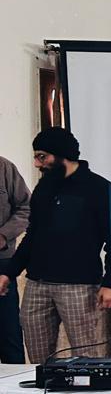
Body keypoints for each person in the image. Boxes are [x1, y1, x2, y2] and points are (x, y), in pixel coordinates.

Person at [0, 127, 111, 364]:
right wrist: (9, 272)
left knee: (87, 362)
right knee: (39, 364)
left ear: (61, 155)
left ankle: (86, 391)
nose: (37, 164)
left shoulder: (99, 188)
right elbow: (32, 235)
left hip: (79, 287)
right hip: (37, 285)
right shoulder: (43, 188)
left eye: (42, 157)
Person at [0, 155, 31, 363]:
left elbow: (27, 207)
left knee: (9, 336)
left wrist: (4, 235)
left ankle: (15, 382)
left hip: (2, 263)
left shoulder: (4, 167)